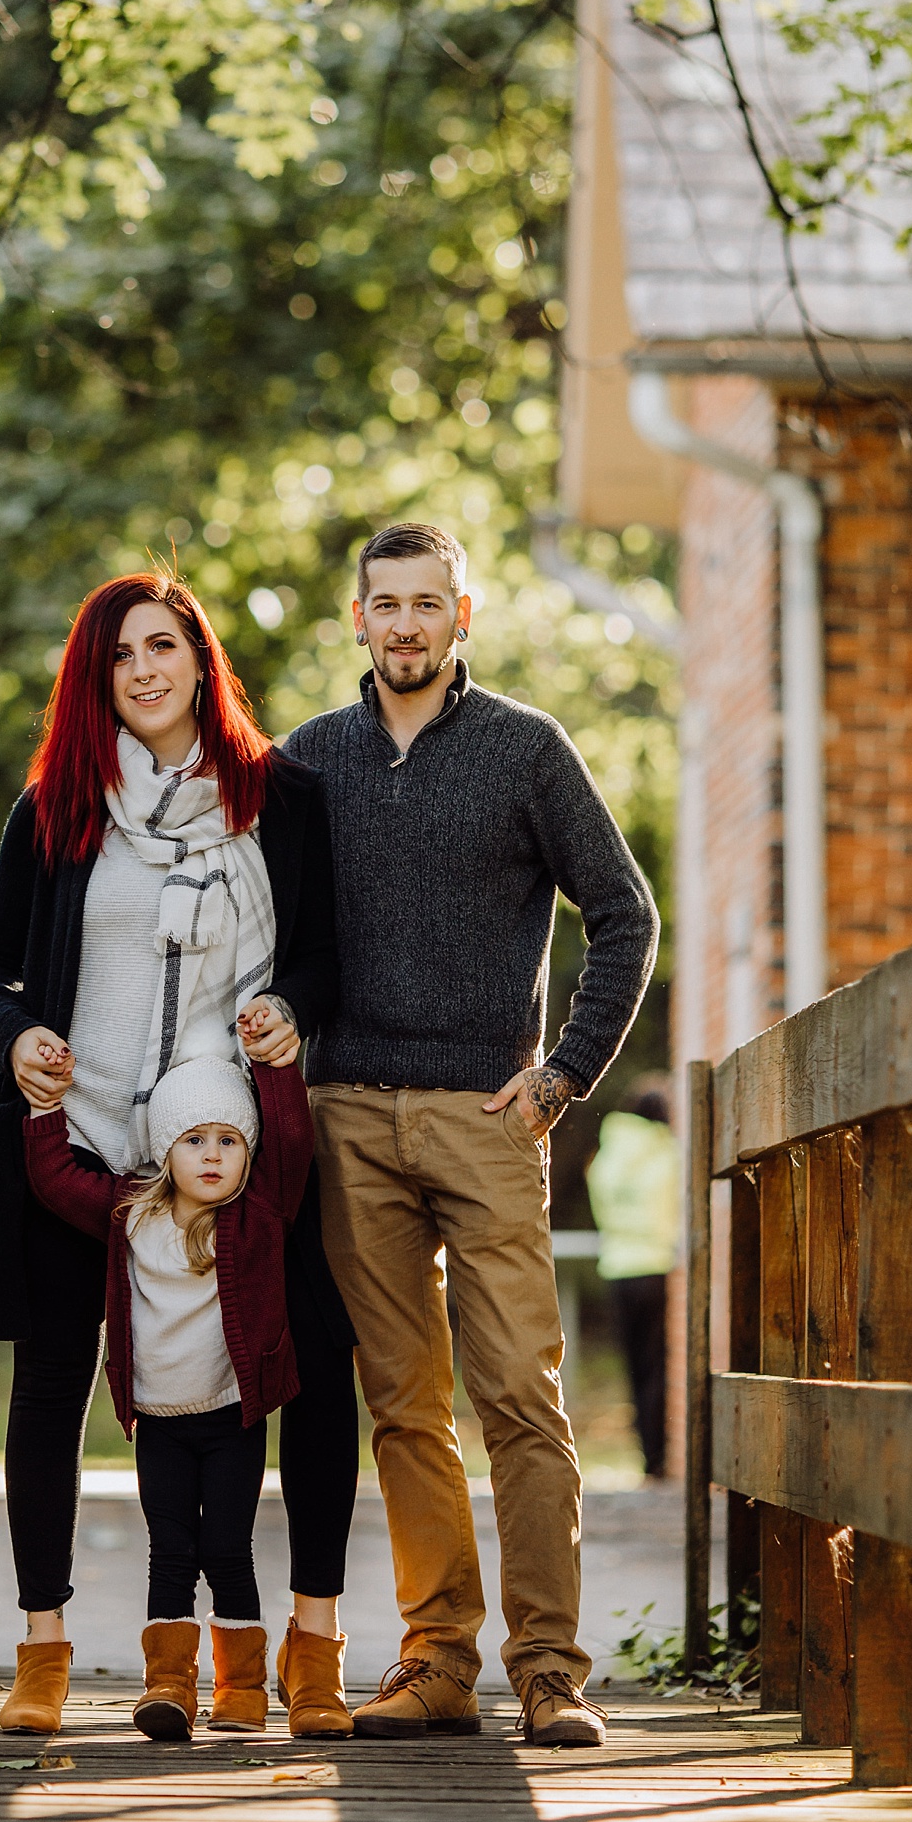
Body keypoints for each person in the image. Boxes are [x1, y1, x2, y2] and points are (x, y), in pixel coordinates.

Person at [0, 571, 358, 1740]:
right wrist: (20, 1032)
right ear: (96, 679)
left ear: (200, 657)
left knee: (312, 1362)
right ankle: (42, 1644)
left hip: (229, 1147)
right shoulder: (56, 809)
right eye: (118, 654)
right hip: (84, 1143)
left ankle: (312, 1638)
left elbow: (323, 957)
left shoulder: (280, 799)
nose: (143, 668)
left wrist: (289, 1005)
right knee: (48, 1383)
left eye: (163, 645)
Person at [286, 523, 659, 1748]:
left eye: (426, 604)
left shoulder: (526, 750)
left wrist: (562, 1077)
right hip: (348, 1117)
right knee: (402, 1401)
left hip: (490, 1115)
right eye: (384, 604)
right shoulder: (309, 762)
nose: (405, 624)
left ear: (462, 616)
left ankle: (550, 1669)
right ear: (357, 618)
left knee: (519, 1395)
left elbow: (624, 913)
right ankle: (438, 1657)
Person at [22, 1055, 317, 1739]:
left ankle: (241, 1688)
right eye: (194, 1139)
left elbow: (295, 1140)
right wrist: (45, 1110)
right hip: (158, 1423)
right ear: (165, 1148)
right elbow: (55, 1178)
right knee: (171, 1550)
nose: (212, 1156)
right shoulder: (130, 1213)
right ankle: (169, 1686)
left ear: (250, 1154)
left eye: (229, 1141)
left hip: (230, 1418)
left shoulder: (260, 1213)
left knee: (229, 1546)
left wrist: (276, 1067)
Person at [585, 1083, 680, 1482]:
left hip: (616, 1268)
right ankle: (657, 1459)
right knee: (657, 1366)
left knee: (634, 1367)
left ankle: (645, 1452)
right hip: (654, 1267)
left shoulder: (605, 1156)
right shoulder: (666, 1153)